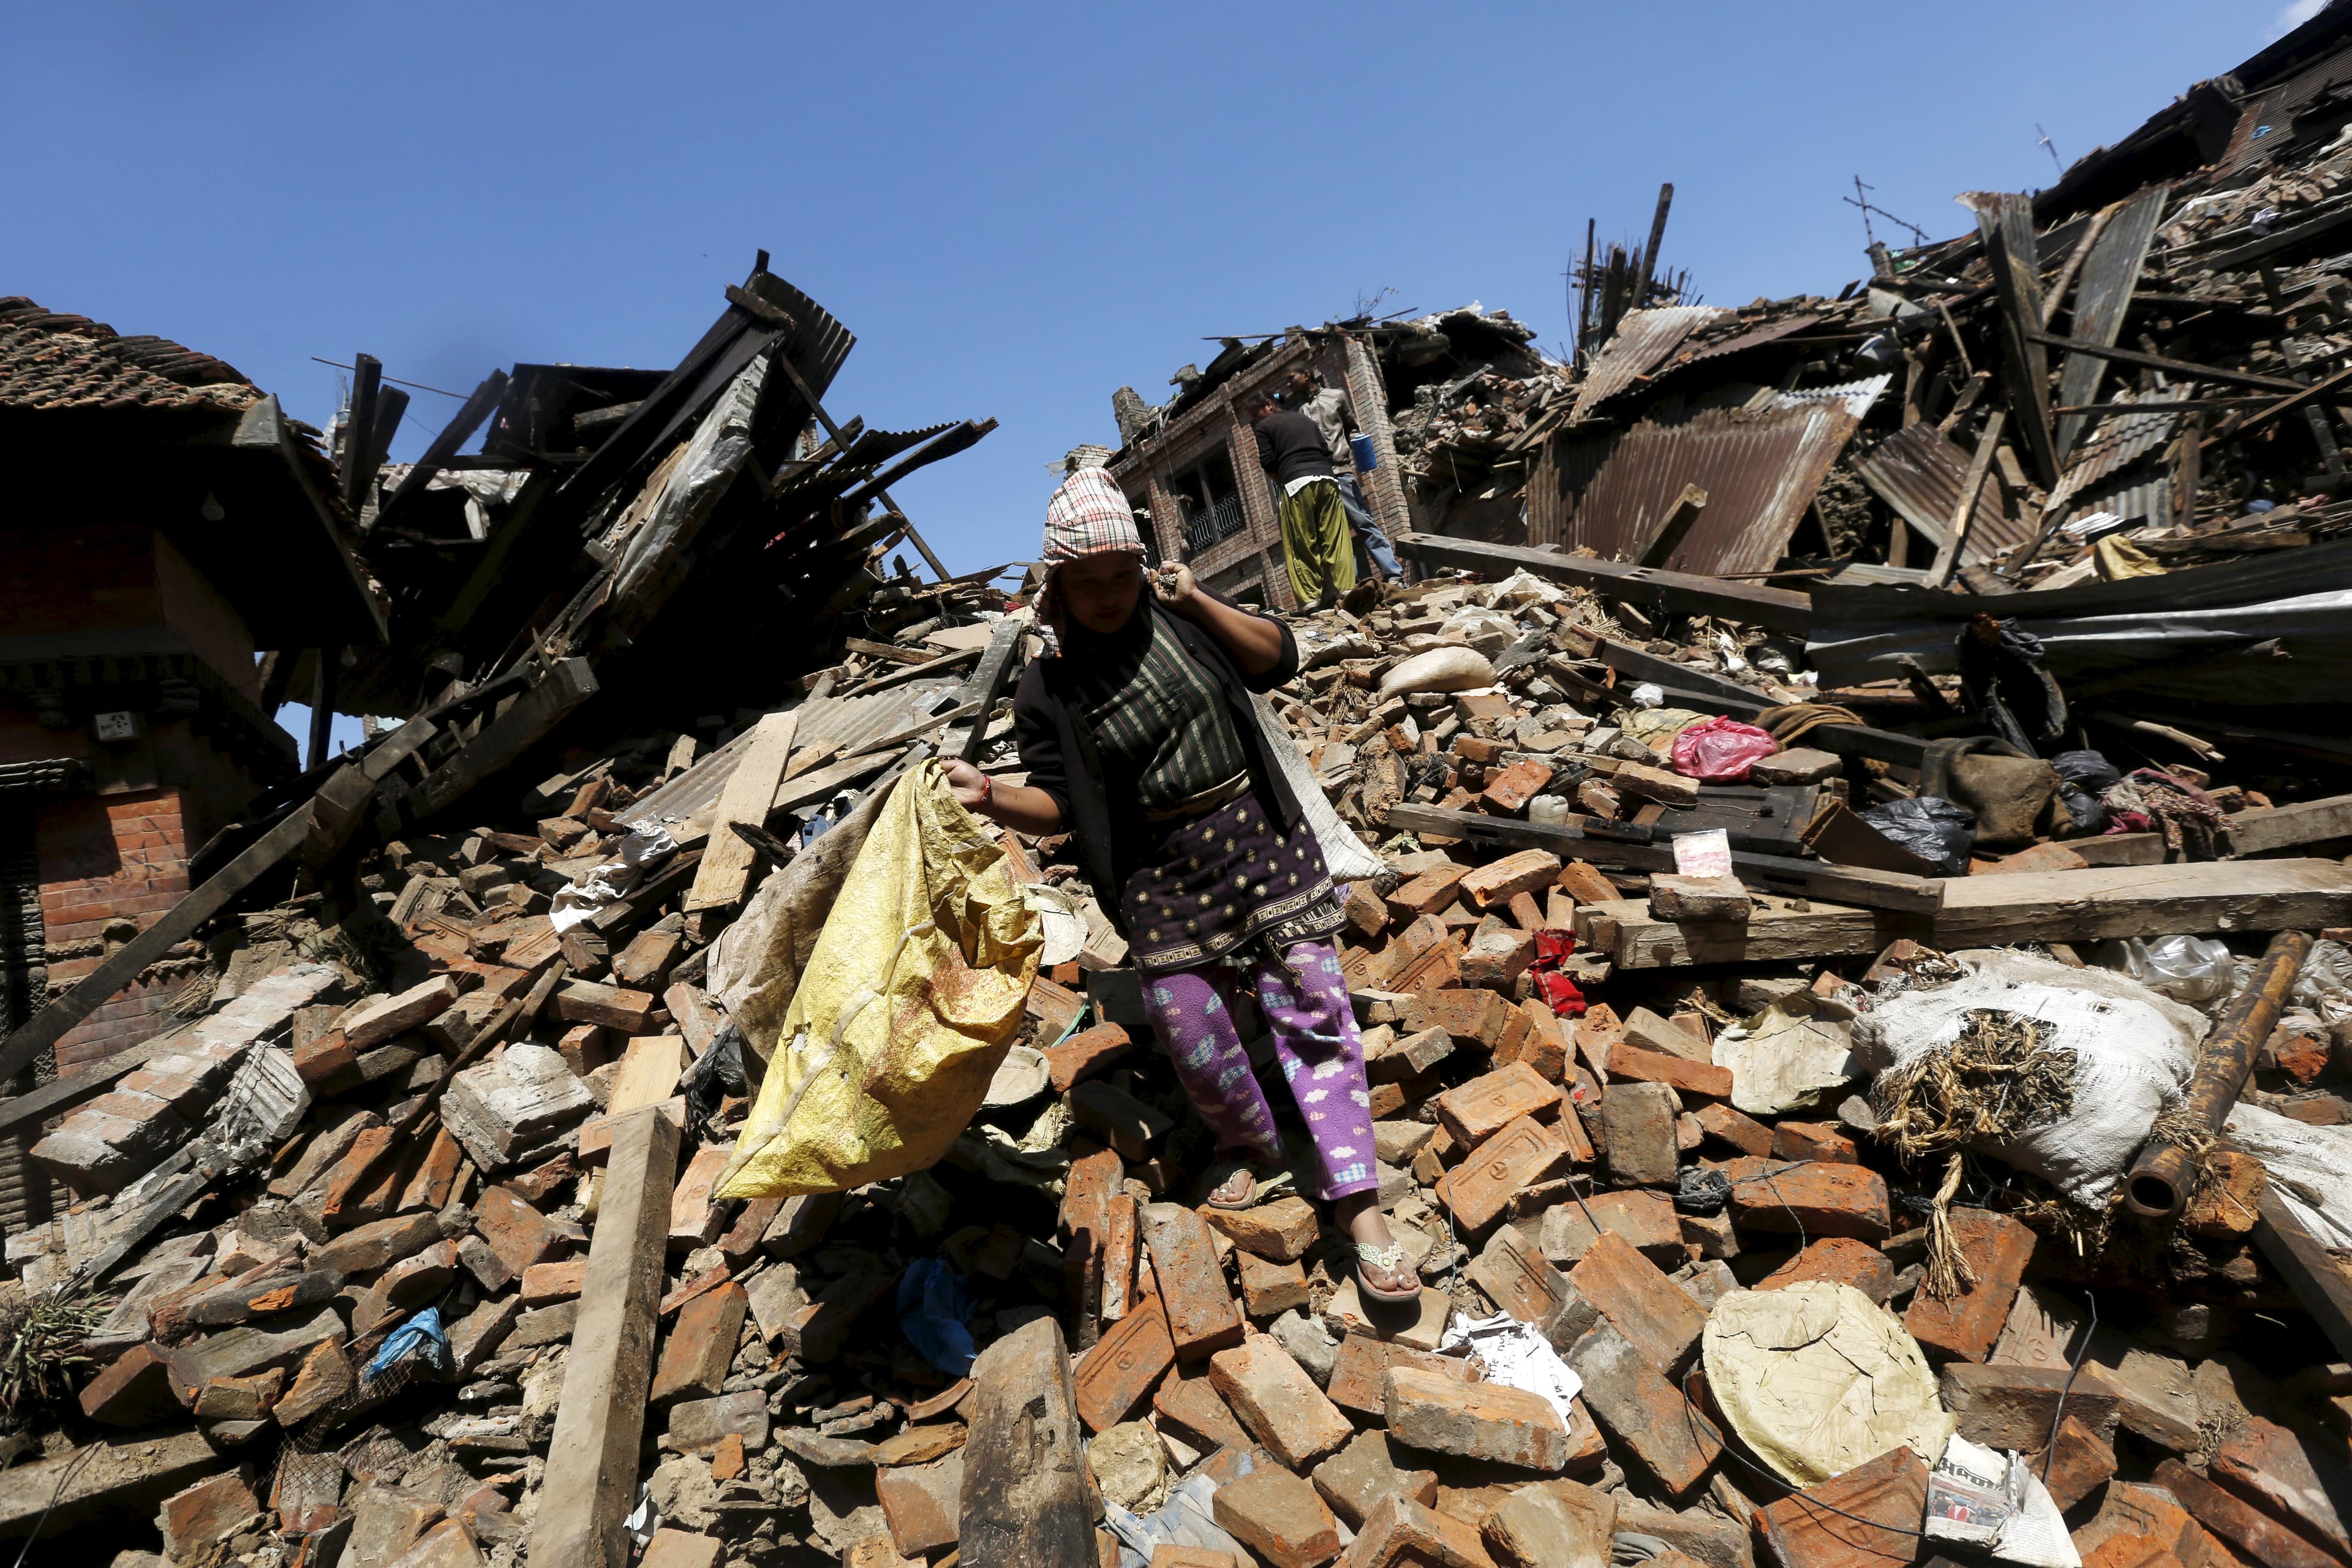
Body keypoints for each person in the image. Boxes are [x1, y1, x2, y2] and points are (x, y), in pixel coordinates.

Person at [941, 467, 1418, 1303]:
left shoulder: (1179, 617)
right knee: (1189, 1023)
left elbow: (1279, 657)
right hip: (1158, 868)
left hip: (1256, 831)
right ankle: (1251, 1140)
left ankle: (1359, 1202)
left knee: (1312, 1003)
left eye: (1117, 578)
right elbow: (1060, 803)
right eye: (1083, 584)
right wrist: (992, 796)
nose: (1103, 597)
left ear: (1140, 567)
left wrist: (1198, 602)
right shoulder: (1047, 684)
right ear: (1055, 584)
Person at [1284, 366, 1402, 583]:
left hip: (1341, 471)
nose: (1289, 384)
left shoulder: (1336, 396)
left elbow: (1352, 427)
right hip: (1317, 477)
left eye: (1291, 378)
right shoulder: (1295, 411)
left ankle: (1393, 573)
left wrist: (1358, 446)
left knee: (1363, 522)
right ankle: (1352, 586)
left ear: (1307, 374)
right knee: (1333, 534)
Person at [1245, 391, 1355, 610]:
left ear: (1268, 405)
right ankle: (1349, 592)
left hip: (1297, 484)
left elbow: (1268, 462)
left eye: (1254, 414)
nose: (1254, 421)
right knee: (1336, 539)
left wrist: (1282, 482)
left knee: (1301, 544)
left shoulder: (1264, 427)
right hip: (1327, 479)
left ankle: (1311, 602)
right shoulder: (1305, 419)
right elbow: (1326, 451)